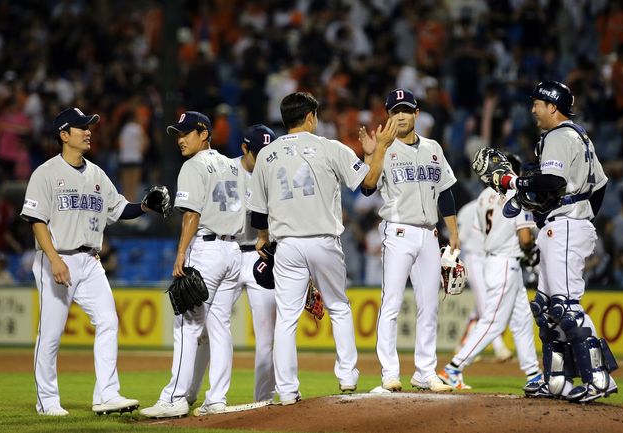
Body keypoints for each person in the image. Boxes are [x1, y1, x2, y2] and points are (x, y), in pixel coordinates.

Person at [247, 92, 396, 405]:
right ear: (310, 117)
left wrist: (262, 237)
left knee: (286, 318)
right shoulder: (329, 147)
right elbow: (368, 185)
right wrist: (379, 149)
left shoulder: (266, 155)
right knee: (339, 306)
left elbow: (258, 213)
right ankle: (347, 376)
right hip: (324, 242)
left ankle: (286, 390)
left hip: (286, 245)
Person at [20, 107, 166, 416]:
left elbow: (119, 210)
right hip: (56, 259)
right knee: (50, 333)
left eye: (89, 126)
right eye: (81, 127)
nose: (88, 131)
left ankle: (107, 395)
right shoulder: (46, 173)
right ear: (63, 134)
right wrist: (54, 259)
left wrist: (144, 206)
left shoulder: (97, 173)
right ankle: (47, 402)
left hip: (89, 260)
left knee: (109, 321)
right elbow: (36, 221)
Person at [492, 81, 618, 403]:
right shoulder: (580, 137)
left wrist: (515, 181)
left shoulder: (560, 135)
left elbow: (553, 180)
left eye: (537, 103)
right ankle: (557, 380)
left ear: (552, 106)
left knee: (564, 306)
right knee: (546, 309)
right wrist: (582, 211)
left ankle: (599, 378)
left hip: (565, 227)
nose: (533, 109)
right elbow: (600, 185)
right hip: (564, 224)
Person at [139, 111, 243, 418]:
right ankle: (217, 399)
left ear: (204, 133)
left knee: (187, 324)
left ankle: (175, 397)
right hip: (233, 251)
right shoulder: (232, 165)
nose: (181, 140)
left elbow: (191, 215)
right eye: (178, 135)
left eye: (187, 133)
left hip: (208, 250)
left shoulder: (193, 166)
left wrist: (181, 253)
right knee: (219, 327)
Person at [359, 88, 456, 393]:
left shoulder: (433, 148)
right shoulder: (383, 149)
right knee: (392, 302)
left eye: (406, 109)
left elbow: (446, 191)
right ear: (387, 117)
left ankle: (425, 372)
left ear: (416, 114)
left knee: (429, 305)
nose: (400, 115)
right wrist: (373, 154)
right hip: (398, 232)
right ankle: (389, 372)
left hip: (429, 234)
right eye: (394, 111)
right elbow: (367, 188)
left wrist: (454, 232)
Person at [185, 124, 278, 405]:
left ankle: (264, 399)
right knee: (204, 330)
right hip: (229, 251)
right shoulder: (227, 170)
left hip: (261, 259)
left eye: (268, 153)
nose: (263, 158)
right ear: (244, 148)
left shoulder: (273, 178)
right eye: (258, 152)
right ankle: (190, 392)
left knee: (266, 336)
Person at [439, 153, 541, 390]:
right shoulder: (518, 193)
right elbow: (525, 238)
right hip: (506, 262)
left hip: (493, 261)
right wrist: (531, 251)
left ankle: (534, 374)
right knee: (493, 322)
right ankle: (453, 368)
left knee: (522, 319)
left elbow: (480, 232)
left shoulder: (484, 196)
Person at [455, 197, 513, 363]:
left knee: (487, 302)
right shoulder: (469, 209)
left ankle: (464, 343)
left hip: (492, 258)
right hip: (473, 256)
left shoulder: (502, 205)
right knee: (485, 302)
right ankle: (498, 346)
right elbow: (460, 239)